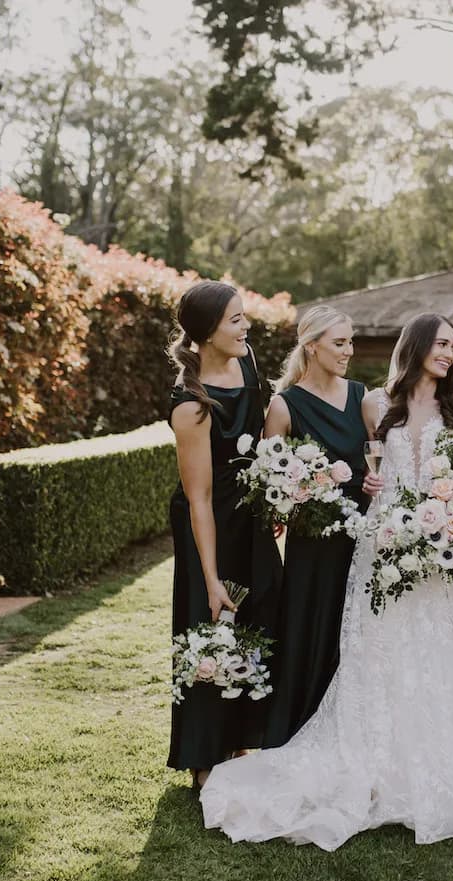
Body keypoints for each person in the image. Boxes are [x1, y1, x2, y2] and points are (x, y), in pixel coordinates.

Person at [201, 313, 453, 850]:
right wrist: (370, 483)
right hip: (381, 543)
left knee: (446, 652)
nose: (448, 353)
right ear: (413, 347)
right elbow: (372, 470)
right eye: (439, 343)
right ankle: (378, 763)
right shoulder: (375, 404)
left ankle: (446, 763)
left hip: (445, 545)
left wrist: (445, 519)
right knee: (379, 656)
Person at [166, 281, 282, 787]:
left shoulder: (248, 362)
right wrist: (210, 577)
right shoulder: (190, 405)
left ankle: (244, 742)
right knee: (211, 623)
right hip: (208, 523)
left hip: (251, 516)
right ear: (206, 333)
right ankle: (203, 760)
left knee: (260, 614)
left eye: (243, 317)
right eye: (234, 320)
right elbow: (200, 499)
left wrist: (274, 495)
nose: (245, 327)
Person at [260, 307, 369, 747]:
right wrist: (299, 492)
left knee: (355, 631)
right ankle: (301, 729)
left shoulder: (362, 396)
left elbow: (380, 456)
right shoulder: (284, 406)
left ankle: (352, 732)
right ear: (312, 347)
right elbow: (269, 483)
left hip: (361, 536)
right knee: (312, 628)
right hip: (312, 544)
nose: (348, 351)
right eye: (339, 343)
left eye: (350, 341)